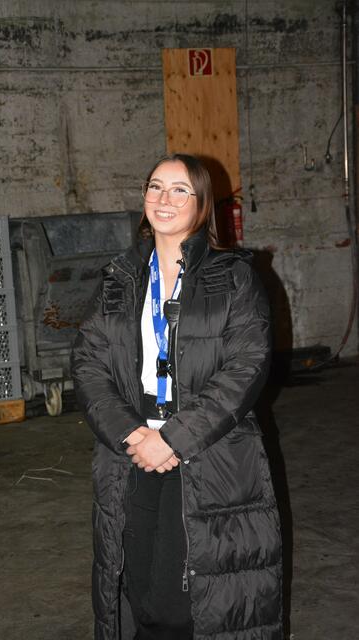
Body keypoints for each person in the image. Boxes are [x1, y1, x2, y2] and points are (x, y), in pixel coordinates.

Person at [72, 154, 283, 640]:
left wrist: (173, 439)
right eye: (155, 186)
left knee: (184, 600)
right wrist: (132, 434)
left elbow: (246, 367)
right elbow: (88, 363)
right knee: (136, 586)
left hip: (209, 451)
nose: (163, 198)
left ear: (202, 204)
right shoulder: (118, 278)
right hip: (133, 449)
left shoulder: (234, 277)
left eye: (180, 189)